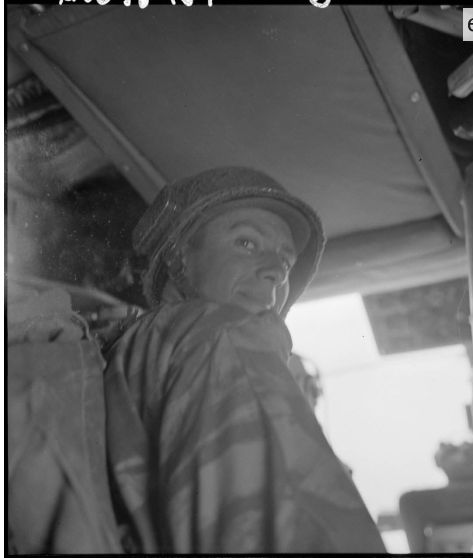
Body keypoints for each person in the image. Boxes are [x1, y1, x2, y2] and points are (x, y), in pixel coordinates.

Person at [104, 167, 386, 553]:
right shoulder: (222, 336)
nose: (275, 271)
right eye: (247, 243)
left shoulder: (140, 347)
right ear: (177, 258)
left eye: (286, 263)